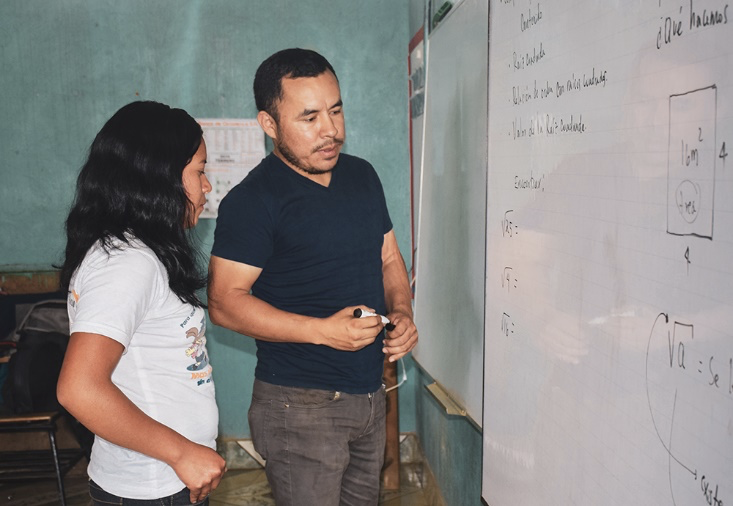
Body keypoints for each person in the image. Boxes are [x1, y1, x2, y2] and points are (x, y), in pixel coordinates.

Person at [207, 48, 418, 506]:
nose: (331, 130)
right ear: (269, 124)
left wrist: (401, 311)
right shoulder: (253, 201)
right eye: (309, 117)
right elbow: (224, 302)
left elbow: (388, 258)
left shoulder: (362, 176)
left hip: (368, 393)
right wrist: (322, 332)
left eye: (336, 110)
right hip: (298, 405)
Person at [57, 101, 227, 505]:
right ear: (159, 178)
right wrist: (181, 452)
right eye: (199, 171)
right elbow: (79, 389)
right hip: (152, 485)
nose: (207, 187)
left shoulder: (135, 252)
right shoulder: (128, 262)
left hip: (159, 480)